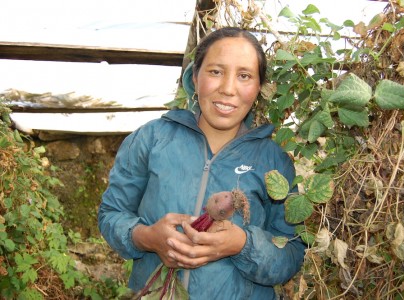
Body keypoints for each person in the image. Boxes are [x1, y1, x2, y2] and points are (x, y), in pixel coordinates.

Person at [98, 26, 305, 299]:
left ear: (258, 87)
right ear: (194, 77)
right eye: (215, 72)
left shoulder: (274, 162)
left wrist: (242, 244)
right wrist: (147, 237)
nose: (228, 89)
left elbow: (291, 253)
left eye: (244, 76)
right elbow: (111, 214)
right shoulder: (151, 139)